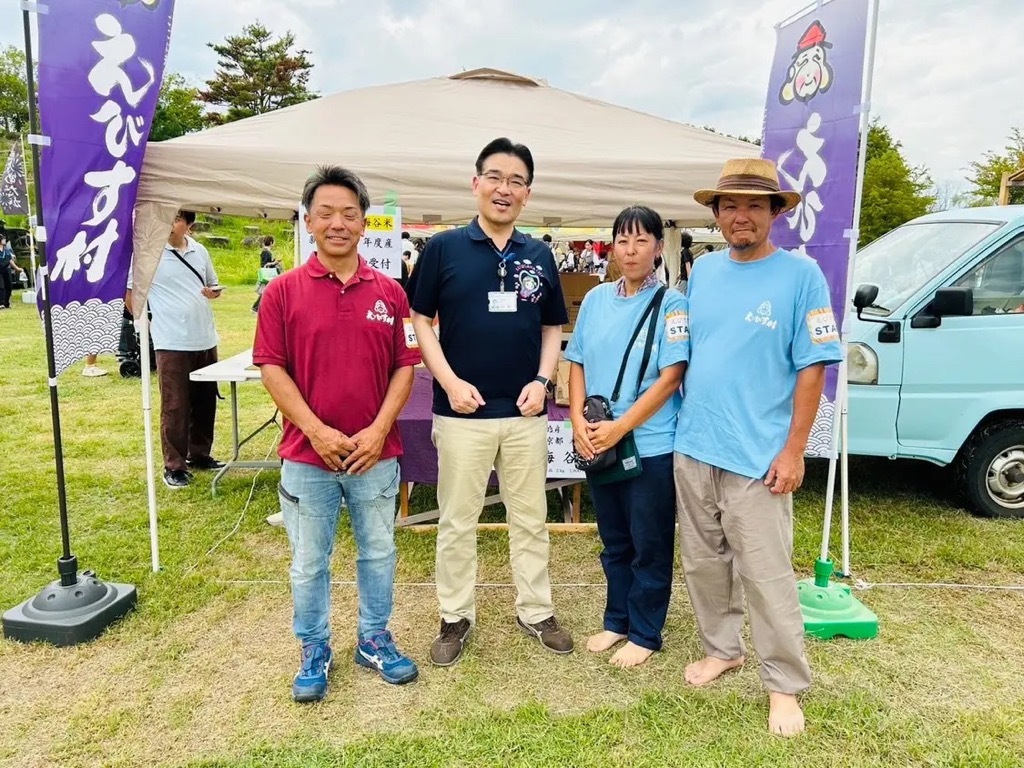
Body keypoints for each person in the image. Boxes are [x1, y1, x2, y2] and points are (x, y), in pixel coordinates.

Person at [673, 158, 842, 737]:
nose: (739, 216)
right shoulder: (703, 271)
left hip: (759, 458)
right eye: (729, 206)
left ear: (774, 213)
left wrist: (794, 452)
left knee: (767, 576)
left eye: (753, 205)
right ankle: (722, 649)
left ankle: (784, 684)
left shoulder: (802, 276)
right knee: (703, 564)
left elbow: (814, 368)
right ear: (716, 214)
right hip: (695, 444)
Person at [254, 165, 421, 701]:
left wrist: (377, 431)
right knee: (309, 561)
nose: (338, 223)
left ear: (365, 223)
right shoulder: (282, 292)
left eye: (350, 214)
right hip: (308, 456)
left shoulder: (391, 293)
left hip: (377, 454)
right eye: (326, 213)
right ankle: (314, 646)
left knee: (379, 551)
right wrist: (317, 431)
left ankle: (374, 638)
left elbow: (405, 367)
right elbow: (272, 368)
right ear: (308, 221)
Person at [410, 137, 574, 666]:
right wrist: (450, 381)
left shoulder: (539, 254)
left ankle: (536, 610)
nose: (505, 189)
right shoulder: (443, 248)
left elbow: (552, 326)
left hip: (525, 413)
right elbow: (421, 321)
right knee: (458, 520)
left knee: (531, 518)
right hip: (461, 414)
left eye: (516, 181)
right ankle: (455, 616)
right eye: (496, 177)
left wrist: (543, 380)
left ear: (528, 193)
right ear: (476, 182)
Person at [564, 205, 689, 668]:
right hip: (599, 441)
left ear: (658, 247)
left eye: (641, 240)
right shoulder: (596, 299)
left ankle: (644, 631)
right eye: (622, 240)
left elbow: (671, 377)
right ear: (612, 247)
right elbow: (576, 361)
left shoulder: (673, 304)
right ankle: (616, 620)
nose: (631, 250)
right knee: (614, 540)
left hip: (650, 445)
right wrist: (578, 421)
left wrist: (620, 426)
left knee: (649, 543)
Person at [125, 210, 224, 489]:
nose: (169, 224)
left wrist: (214, 292)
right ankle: (175, 466)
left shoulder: (199, 251)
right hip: (171, 340)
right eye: (166, 217)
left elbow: (212, 284)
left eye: (177, 219)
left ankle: (200, 454)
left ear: (189, 225)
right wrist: (144, 322)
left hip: (205, 336)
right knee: (175, 404)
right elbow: (131, 293)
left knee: (205, 401)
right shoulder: (148, 252)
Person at [252, 235, 282, 313]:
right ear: (271, 242)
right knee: (265, 292)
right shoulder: (265, 252)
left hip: (270, 274)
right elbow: (264, 264)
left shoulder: (268, 251)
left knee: (268, 291)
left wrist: (275, 261)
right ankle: (255, 307)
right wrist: (274, 263)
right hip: (268, 274)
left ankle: (260, 307)